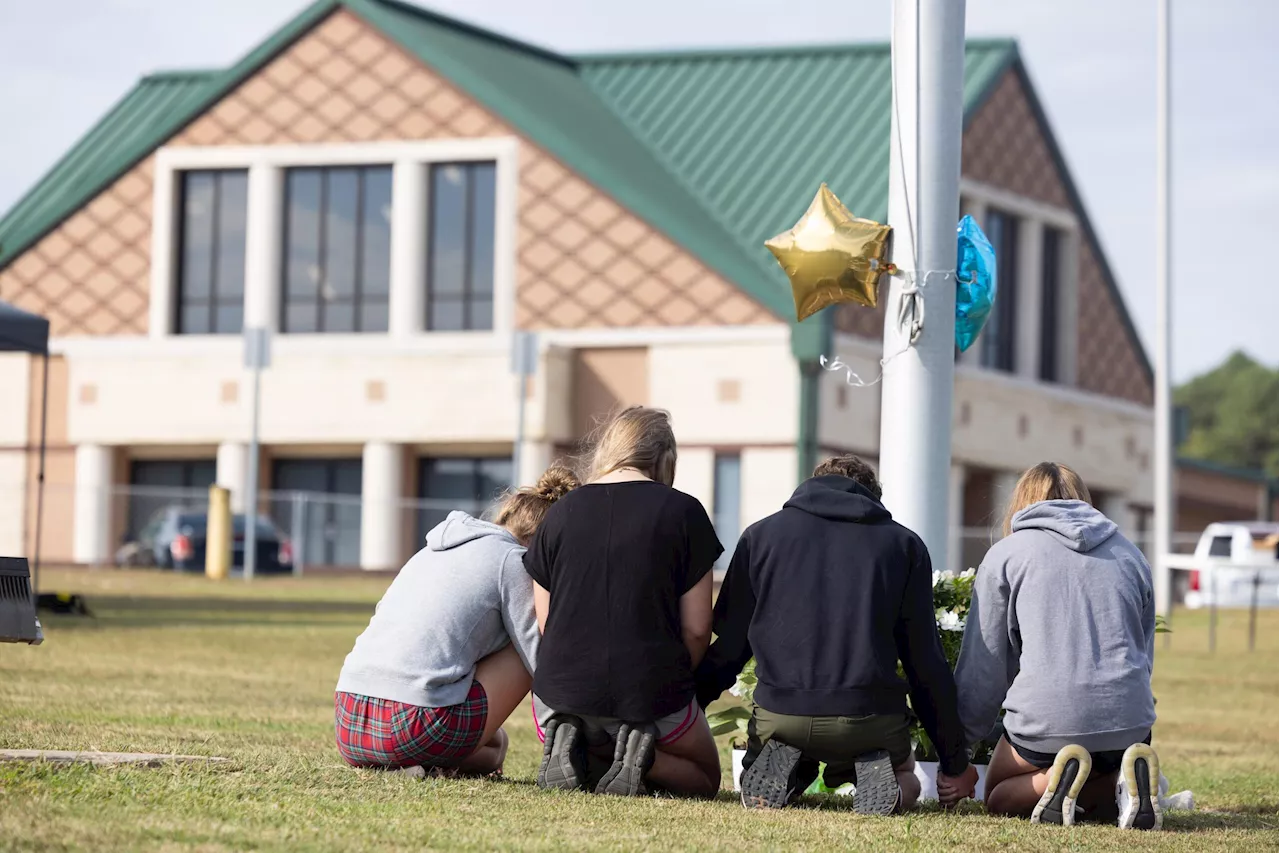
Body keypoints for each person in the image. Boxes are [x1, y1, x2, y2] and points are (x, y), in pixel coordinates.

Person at [696, 454, 974, 814]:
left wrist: (687, 707)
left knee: (784, 746)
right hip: (870, 716)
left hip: (782, 713)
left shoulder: (760, 537)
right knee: (907, 777)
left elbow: (731, 649)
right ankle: (885, 782)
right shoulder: (903, 546)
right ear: (873, 497)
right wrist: (955, 763)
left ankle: (786, 771)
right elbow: (925, 664)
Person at [945, 462, 1160, 830]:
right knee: (1102, 775)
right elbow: (1144, 654)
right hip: (1129, 725)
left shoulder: (1007, 555)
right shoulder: (1131, 554)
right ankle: (1118, 784)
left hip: (1046, 724)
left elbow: (985, 667)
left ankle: (1054, 780)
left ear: (1021, 501)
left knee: (997, 797)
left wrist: (958, 753)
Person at [525, 406, 723, 798]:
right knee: (704, 778)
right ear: (665, 458)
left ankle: (576, 739)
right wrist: (673, 683)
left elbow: (546, 623)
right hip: (650, 692)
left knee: (596, 745)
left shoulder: (559, 513)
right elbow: (698, 629)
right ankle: (643, 755)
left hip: (559, 696)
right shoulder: (685, 512)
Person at [333, 466, 578, 776]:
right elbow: (544, 664)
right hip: (414, 722)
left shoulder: (430, 550)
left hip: (349, 723)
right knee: (532, 646)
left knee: (494, 748)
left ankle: (410, 764)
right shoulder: (514, 561)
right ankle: (419, 759)